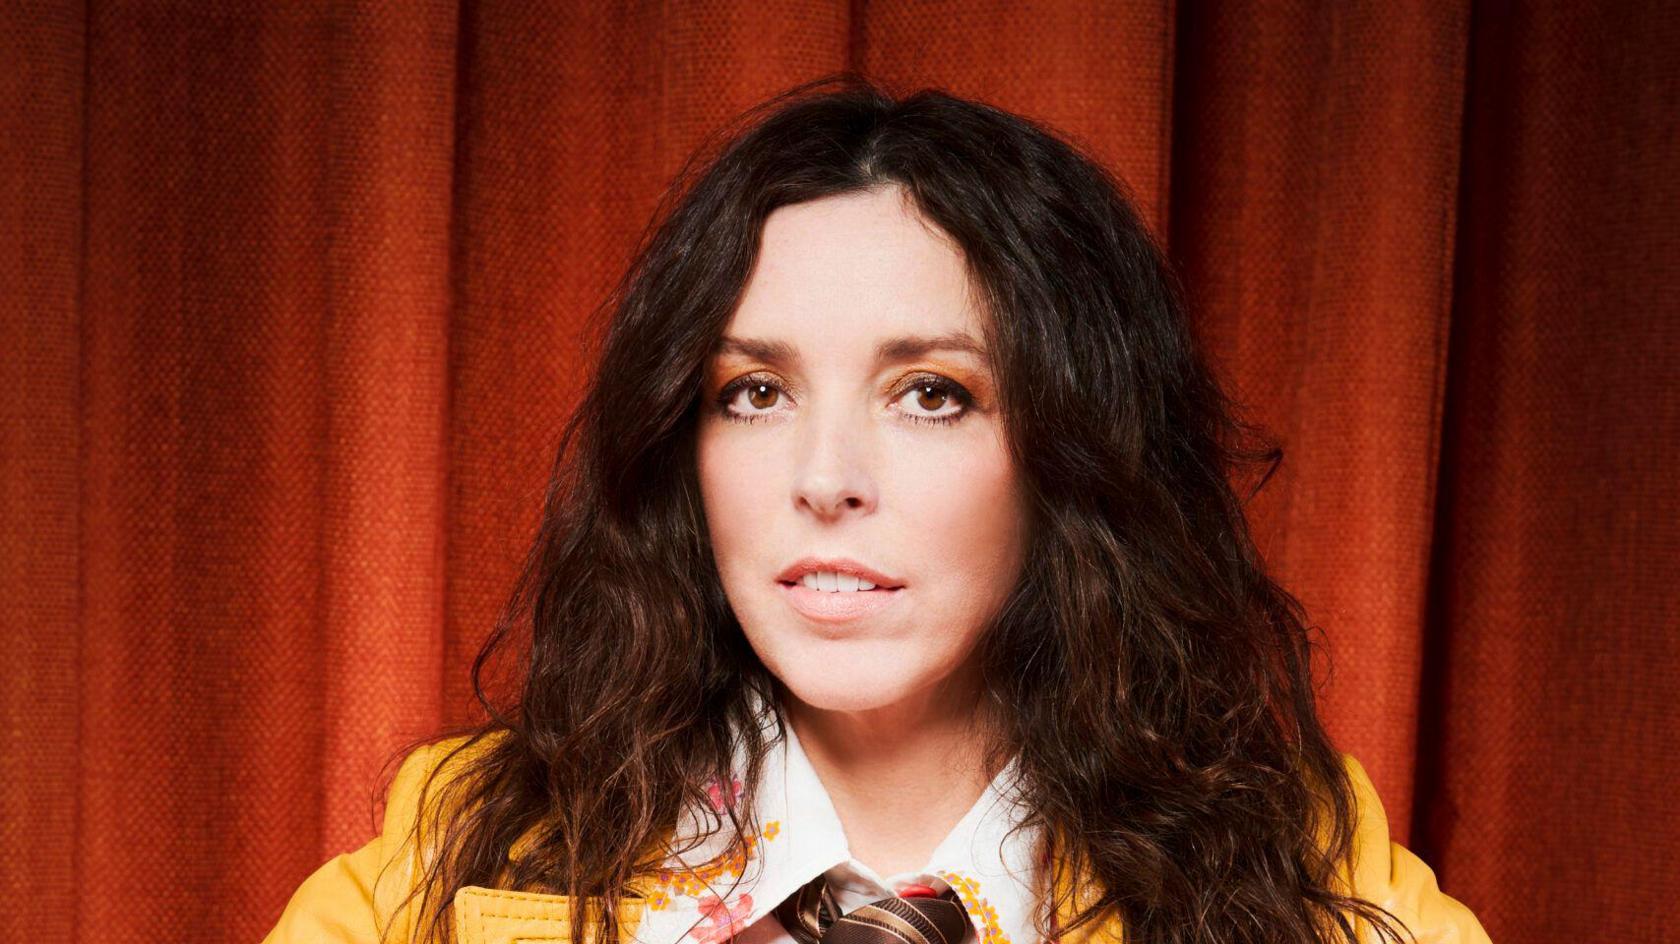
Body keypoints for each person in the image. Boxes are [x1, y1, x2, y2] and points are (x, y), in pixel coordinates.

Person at [261, 75, 1491, 944]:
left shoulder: (1303, 861)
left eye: (932, 394)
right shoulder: (465, 842)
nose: (825, 473)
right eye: (753, 391)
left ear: (1074, 446)